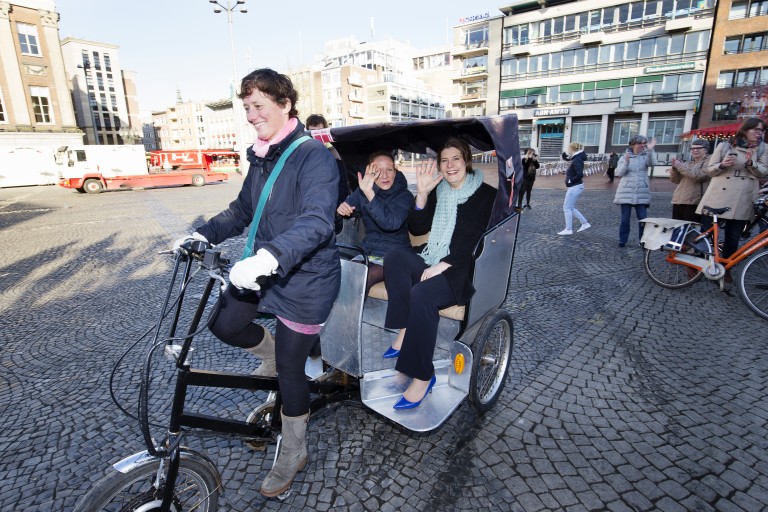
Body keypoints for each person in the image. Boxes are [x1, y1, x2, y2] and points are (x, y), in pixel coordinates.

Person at [174, 69, 340, 498]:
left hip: (306, 279)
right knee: (224, 325)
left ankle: (294, 450)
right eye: (246, 107)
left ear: (284, 104)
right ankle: (267, 352)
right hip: (264, 271)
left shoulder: (314, 156)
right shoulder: (263, 157)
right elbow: (242, 209)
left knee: (291, 369)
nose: (250, 114)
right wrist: (203, 234)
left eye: (258, 105)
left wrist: (270, 256)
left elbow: (318, 221)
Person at [381, 138, 495, 409]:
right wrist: (421, 194)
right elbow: (418, 228)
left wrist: (444, 264)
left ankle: (422, 376)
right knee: (395, 257)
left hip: (462, 268)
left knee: (421, 293)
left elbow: (480, 239)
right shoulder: (439, 189)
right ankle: (406, 328)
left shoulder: (486, 195)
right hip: (433, 255)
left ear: (466, 161)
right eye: (444, 160)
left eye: (456, 158)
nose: (450, 165)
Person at [696, 117, 768, 277]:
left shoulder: (764, 148)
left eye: (762, 130)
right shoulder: (726, 145)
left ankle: (725, 268)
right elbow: (708, 170)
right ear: (745, 129)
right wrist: (722, 165)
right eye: (756, 129)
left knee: (733, 236)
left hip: (743, 195)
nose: (759, 133)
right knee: (707, 233)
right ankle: (698, 264)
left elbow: (764, 171)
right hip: (719, 193)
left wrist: (751, 164)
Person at [336, 151, 414, 292]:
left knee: (364, 278)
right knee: (343, 275)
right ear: (370, 172)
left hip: (395, 255)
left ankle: (350, 314)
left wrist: (370, 194)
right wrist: (340, 210)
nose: (384, 176)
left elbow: (391, 223)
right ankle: (340, 314)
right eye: (378, 171)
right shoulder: (363, 192)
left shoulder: (404, 196)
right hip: (368, 252)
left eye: (389, 170)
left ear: (395, 172)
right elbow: (341, 214)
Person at [614, 134, 656, 247]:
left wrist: (651, 150)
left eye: (644, 143)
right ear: (633, 144)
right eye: (639, 143)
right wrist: (626, 163)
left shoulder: (646, 155)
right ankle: (622, 240)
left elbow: (652, 163)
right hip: (626, 191)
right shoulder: (624, 157)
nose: (642, 145)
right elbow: (618, 173)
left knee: (643, 218)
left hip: (642, 191)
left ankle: (643, 240)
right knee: (625, 219)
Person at [305, 113, 350, 208]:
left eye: (320, 131)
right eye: (312, 131)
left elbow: (342, 185)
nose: (316, 136)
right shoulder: (303, 155)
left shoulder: (335, 153)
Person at [669, 139, 711, 223]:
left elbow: (697, 177)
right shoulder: (688, 163)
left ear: (706, 150)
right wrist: (674, 168)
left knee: (690, 230)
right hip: (679, 200)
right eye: (692, 148)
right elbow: (675, 180)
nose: (695, 150)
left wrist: (680, 167)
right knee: (677, 229)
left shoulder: (709, 163)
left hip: (694, 202)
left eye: (698, 148)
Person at [557, 142, 591, 235]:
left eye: (568, 148)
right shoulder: (577, 158)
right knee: (570, 207)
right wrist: (567, 173)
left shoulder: (577, 159)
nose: (568, 150)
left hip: (575, 186)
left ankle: (568, 229)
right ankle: (585, 223)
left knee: (567, 208)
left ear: (572, 149)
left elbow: (580, 174)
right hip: (575, 186)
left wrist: (570, 181)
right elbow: (576, 171)